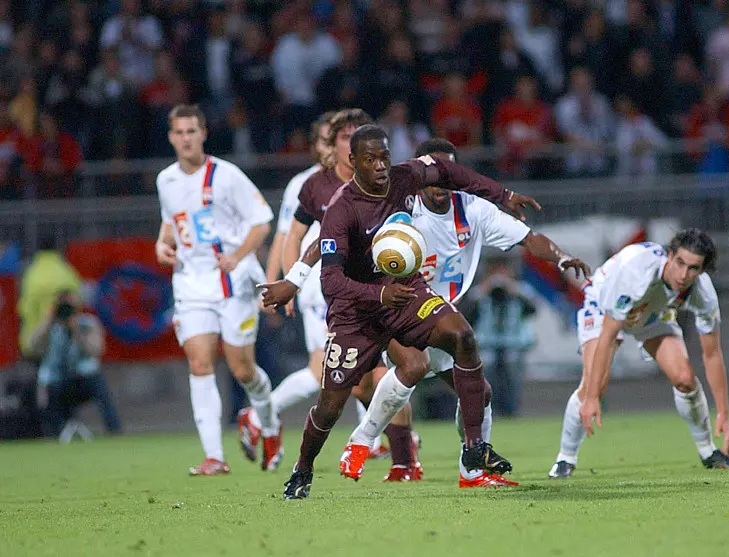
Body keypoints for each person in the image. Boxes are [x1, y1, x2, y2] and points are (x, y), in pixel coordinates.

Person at [265, 125, 540, 499]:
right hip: (356, 309)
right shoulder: (341, 210)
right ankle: (303, 469)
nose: (380, 166)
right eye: (370, 159)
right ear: (353, 162)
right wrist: (370, 292)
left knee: (461, 337)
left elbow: (450, 171)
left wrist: (502, 194)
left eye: (384, 157)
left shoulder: (403, 177)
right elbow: (331, 282)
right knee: (330, 404)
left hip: (405, 292)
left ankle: (474, 448)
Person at [343, 138, 590, 486]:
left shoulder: (473, 210)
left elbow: (527, 237)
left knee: (479, 393)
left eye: (450, 176)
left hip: (438, 315)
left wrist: (561, 257)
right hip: (393, 306)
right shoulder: (400, 206)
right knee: (414, 365)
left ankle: (471, 470)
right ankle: (360, 442)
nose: (442, 183)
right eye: (434, 174)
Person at [550, 229, 729, 479]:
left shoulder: (703, 293)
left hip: (652, 313)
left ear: (702, 271)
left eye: (693, 268)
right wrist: (591, 398)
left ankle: (708, 452)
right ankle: (565, 459)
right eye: (680, 263)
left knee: (685, 379)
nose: (684, 275)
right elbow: (609, 335)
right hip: (603, 306)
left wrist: (724, 413)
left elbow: (712, 355)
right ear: (669, 256)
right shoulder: (636, 272)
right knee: (592, 387)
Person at [155, 104, 280, 476]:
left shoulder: (227, 176)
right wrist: (160, 246)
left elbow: (262, 223)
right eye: (179, 132)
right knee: (199, 361)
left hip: (233, 282)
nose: (186, 138)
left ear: (204, 133)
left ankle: (270, 426)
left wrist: (238, 256)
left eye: (192, 131)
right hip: (191, 282)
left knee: (243, 369)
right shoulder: (166, 181)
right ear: (170, 137)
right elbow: (170, 223)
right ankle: (214, 456)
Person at [234, 111, 335, 453]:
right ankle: (261, 415)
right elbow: (284, 237)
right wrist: (282, 283)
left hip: (352, 281)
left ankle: (376, 436)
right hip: (319, 283)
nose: (331, 148)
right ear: (315, 145)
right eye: (325, 140)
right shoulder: (304, 185)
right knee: (323, 370)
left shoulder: (357, 180)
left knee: (361, 359)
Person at [30, 290, 121, 437]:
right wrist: (48, 321)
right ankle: (54, 433)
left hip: (84, 378)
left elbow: (96, 350)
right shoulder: (51, 327)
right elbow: (32, 347)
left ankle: (114, 430)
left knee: (100, 384)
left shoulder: (87, 324)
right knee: (47, 391)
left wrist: (77, 330)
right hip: (57, 379)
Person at [464, 257, 537, 418]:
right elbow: (467, 314)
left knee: (512, 365)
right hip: (486, 342)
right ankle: (490, 408)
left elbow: (532, 309)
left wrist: (513, 290)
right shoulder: (479, 291)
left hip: (513, 342)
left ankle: (512, 408)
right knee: (486, 366)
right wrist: (484, 291)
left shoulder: (521, 289)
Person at [17, 236, 81, 361]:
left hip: (36, 343)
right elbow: (77, 304)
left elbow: (24, 308)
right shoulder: (67, 272)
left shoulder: (32, 274)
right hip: (64, 344)